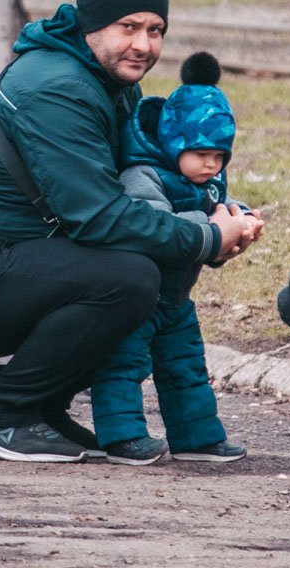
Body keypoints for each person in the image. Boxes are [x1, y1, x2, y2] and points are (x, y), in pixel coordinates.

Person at [0, 0, 264, 463]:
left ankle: (43, 409)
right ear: (92, 25)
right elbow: (102, 218)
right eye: (128, 27)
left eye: (155, 30)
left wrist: (219, 223)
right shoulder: (56, 89)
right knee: (130, 277)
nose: (143, 45)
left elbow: (147, 196)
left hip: (4, 267)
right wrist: (205, 239)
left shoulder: (106, 82)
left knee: (135, 266)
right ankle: (1, 411)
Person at [88, 52, 251, 466]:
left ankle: (196, 437)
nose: (211, 165)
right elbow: (153, 226)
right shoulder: (143, 175)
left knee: (187, 368)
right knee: (124, 366)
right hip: (138, 296)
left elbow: (218, 208)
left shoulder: (204, 180)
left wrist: (239, 219)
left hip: (176, 299)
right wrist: (213, 226)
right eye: (201, 154)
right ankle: (122, 436)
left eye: (220, 156)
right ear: (175, 142)